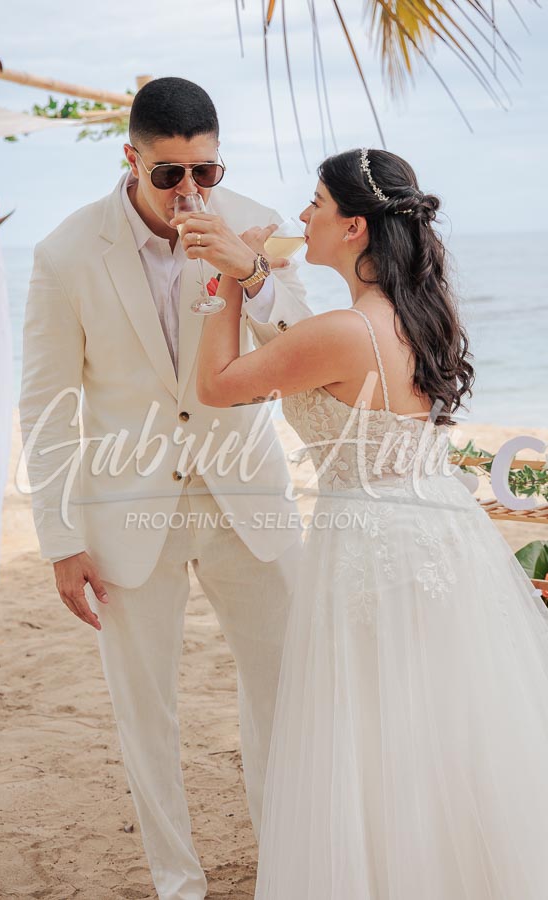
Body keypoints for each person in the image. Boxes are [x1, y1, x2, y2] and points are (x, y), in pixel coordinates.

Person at [188, 147, 548, 898]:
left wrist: (226, 284)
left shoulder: (344, 332)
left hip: (367, 540)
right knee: (444, 721)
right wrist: (255, 274)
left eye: (317, 203)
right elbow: (301, 345)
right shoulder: (422, 313)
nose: (303, 215)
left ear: (353, 226)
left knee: (371, 730)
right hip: (441, 526)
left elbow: (217, 385)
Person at [19, 77, 312, 900]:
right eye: (168, 173)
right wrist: (59, 537)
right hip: (124, 510)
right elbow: (46, 405)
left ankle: (286, 866)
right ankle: (178, 883)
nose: (189, 191)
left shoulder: (255, 225)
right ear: (131, 158)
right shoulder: (65, 254)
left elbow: (305, 345)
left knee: (285, 691)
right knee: (145, 711)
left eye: (205, 171)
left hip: (247, 498)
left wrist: (250, 272)